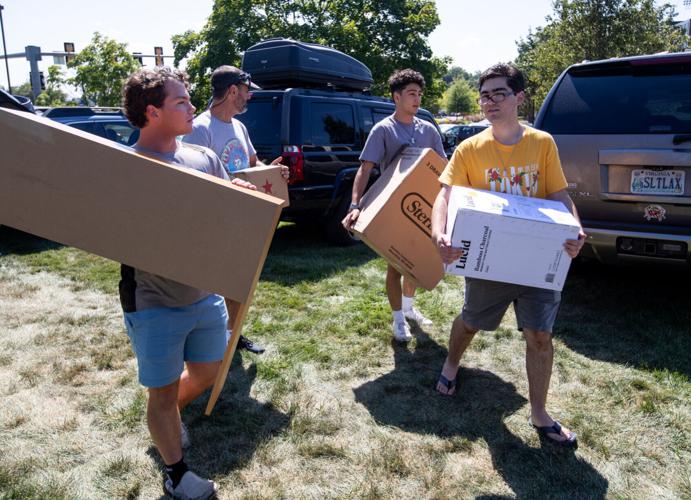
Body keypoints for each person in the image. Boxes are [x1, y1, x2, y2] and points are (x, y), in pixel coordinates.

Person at [430, 63, 586, 446]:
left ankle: (539, 413)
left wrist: (575, 229)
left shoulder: (542, 143)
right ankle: (452, 362)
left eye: (499, 93)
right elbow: (445, 194)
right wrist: (439, 233)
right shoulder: (470, 148)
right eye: (485, 95)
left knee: (539, 336)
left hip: (539, 260)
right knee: (470, 322)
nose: (490, 101)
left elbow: (558, 195)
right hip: (489, 259)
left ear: (519, 98)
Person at [120, 66, 256, 499]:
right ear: (152, 111)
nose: (193, 108)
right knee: (160, 392)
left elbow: (227, 212)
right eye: (182, 101)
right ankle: (175, 472)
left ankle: (167, 424)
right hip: (154, 300)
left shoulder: (203, 158)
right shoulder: (125, 168)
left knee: (208, 372)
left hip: (205, 293)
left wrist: (250, 199)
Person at [183, 65, 289, 355]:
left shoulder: (239, 127)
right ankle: (209, 339)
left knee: (240, 281)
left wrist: (272, 171)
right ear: (232, 91)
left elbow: (252, 163)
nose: (249, 97)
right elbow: (193, 179)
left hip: (244, 217)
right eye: (246, 91)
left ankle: (232, 335)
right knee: (210, 283)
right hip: (214, 220)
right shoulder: (200, 128)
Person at [342, 68, 446, 342]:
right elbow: (365, 170)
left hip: (422, 207)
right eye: (412, 94)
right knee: (395, 266)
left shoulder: (428, 130)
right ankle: (398, 320)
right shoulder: (383, 129)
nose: (417, 99)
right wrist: (355, 205)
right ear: (396, 97)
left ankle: (409, 308)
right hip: (394, 211)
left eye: (420, 94)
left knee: (416, 260)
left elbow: (442, 167)